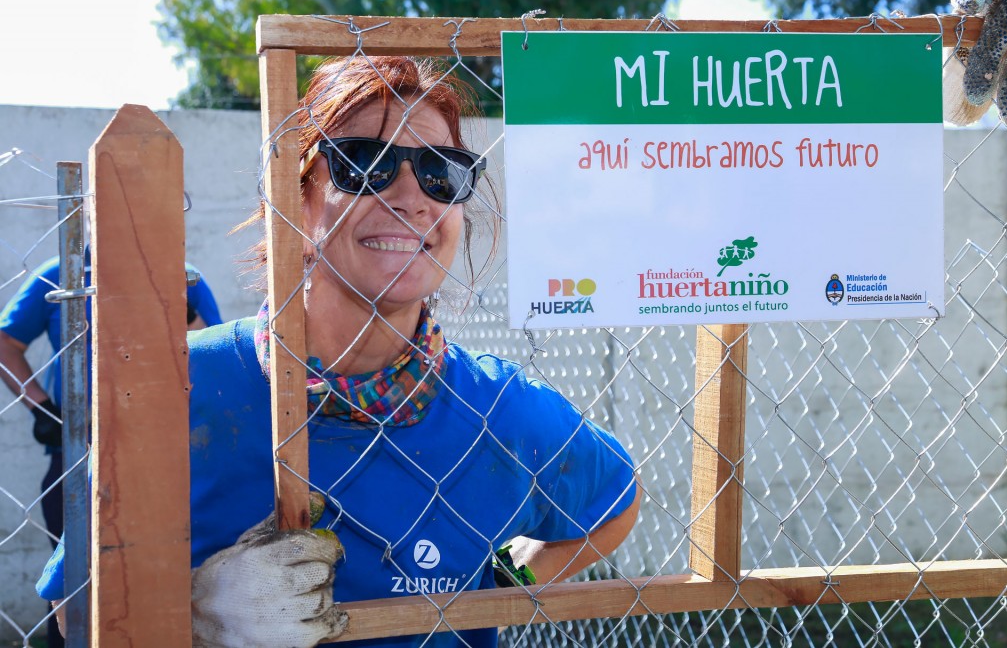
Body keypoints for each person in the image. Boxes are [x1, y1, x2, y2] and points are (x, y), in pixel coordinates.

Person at [38, 55, 641, 647]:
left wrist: (504, 588)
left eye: (442, 172)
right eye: (367, 164)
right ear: (297, 199)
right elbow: (75, 613)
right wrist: (194, 621)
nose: (411, 197)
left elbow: (615, 503)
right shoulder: (187, 385)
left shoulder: (500, 411)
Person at [1, 252, 220, 648]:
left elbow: (211, 348)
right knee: (71, 587)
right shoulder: (60, 275)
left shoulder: (182, 275)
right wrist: (41, 407)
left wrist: (180, 305)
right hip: (76, 453)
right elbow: (4, 341)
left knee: (167, 575)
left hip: (162, 451)